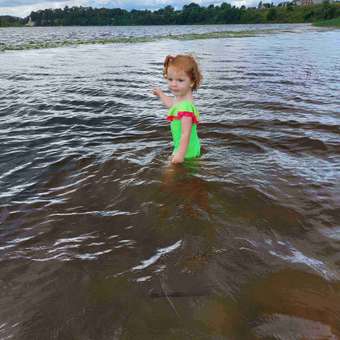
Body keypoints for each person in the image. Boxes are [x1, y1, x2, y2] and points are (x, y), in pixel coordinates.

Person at [153, 54, 203, 164]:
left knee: (170, 176)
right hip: (186, 148)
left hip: (186, 152)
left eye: (180, 80)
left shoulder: (186, 108)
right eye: (170, 79)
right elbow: (171, 104)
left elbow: (186, 133)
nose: (173, 84)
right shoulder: (181, 101)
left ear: (191, 82)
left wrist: (180, 155)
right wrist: (160, 94)